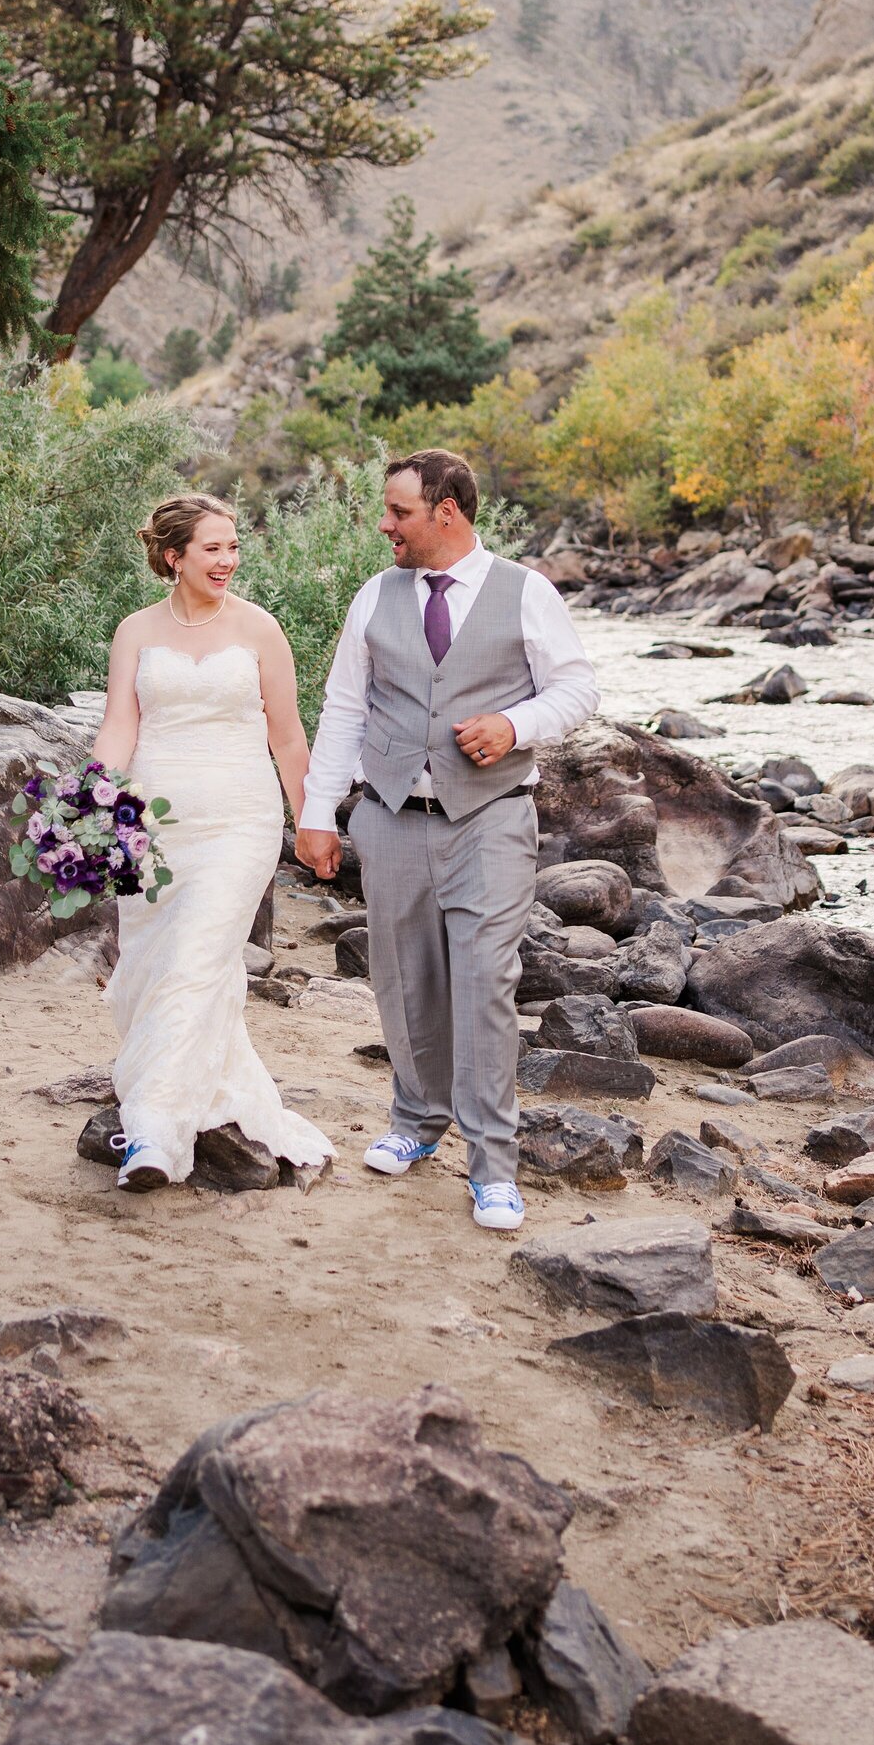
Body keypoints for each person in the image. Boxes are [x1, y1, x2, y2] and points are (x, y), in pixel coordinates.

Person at [295, 450, 599, 1230]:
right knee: (403, 977)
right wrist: (320, 812)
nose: (384, 524)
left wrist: (515, 724)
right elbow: (344, 710)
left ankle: (494, 1166)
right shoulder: (375, 595)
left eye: (398, 511)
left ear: (447, 512)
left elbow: (576, 689)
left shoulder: (526, 591)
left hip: (492, 819)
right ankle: (415, 1122)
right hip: (392, 817)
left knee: (486, 984)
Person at [91, 492, 333, 1193]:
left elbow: (287, 737)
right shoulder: (135, 631)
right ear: (174, 556)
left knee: (198, 954)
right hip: (155, 821)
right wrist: (92, 805)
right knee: (154, 963)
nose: (228, 561)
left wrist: (314, 823)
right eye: (213, 549)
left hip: (238, 819)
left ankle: (156, 1138)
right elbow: (119, 728)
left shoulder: (260, 630)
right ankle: (202, 1087)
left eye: (233, 548)